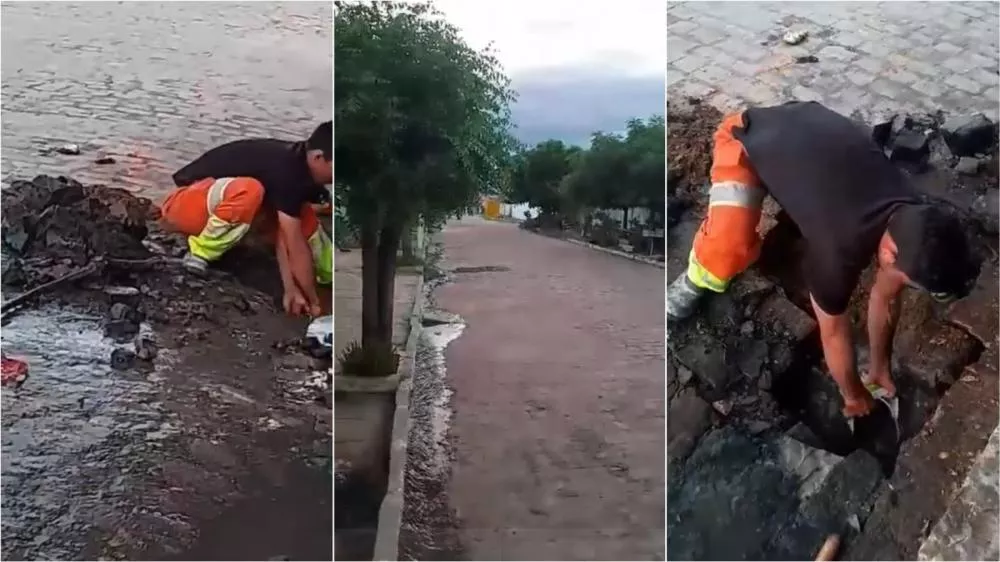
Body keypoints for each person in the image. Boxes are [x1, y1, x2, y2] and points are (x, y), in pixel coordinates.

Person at [667, 101, 978, 418]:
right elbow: (832, 333)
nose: (900, 284)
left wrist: (879, 367)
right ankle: (696, 277)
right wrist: (853, 396)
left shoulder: (914, 213)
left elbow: (885, 297)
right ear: (889, 252)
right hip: (747, 135)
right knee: (728, 251)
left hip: (809, 127)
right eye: (907, 280)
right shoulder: (838, 251)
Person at [160, 121, 333, 317]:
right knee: (250, 190)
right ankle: (201, 253)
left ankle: (332, 275)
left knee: (304, 215)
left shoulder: (303, 168)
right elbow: (294, 244)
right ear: (318, 157)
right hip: (183, 204)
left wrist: (291, 289)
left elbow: (285, 234)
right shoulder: (287, 170)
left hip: (222, 207)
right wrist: (315, 302)